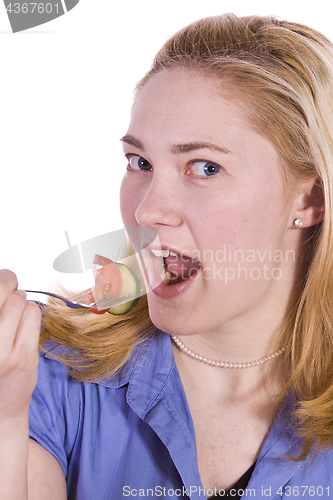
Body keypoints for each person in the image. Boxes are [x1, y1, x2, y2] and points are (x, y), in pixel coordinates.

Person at [1, 12, 333, 499]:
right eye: (140, 162)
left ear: (310, 200)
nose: (147, 208)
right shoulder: (45, 372)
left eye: (204, 167)